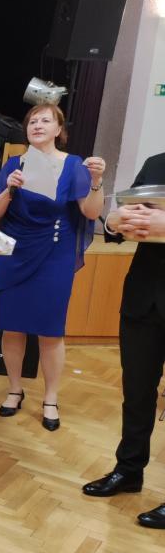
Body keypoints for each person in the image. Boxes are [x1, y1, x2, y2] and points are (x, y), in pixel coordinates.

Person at [0, 104, 105, 429]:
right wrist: (9, 189)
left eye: (45, 120)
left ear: (58, 129)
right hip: (15, 252)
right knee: (12, 326)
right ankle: (14, 389)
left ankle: (51, 397)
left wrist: (96, 181)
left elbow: (91, 212)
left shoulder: (74, 165)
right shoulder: (14, 164)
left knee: (50, 330)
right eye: (32, 121)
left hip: (55, 254)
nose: (37, 125)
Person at [82, 150, 165, 528]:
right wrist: (115, 222)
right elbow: (125, 216)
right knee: (137, 394)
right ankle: (129, 469)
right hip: (143, 297)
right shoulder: (156, 163)